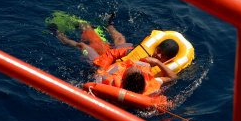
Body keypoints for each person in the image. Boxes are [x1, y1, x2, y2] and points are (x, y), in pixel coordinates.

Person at [50, 14, 178, 94]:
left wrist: (100, 70)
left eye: (163, 57)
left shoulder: (110, 81)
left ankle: (58, 35)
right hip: (120, 56)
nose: (159, 56)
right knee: (121, 40)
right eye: (159, 52)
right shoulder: (150, 84)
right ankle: (109, 25)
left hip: (105, 65)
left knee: (83, 45)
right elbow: (173, 78)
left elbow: (105, 65)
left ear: (123, 77)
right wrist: (156, 62)